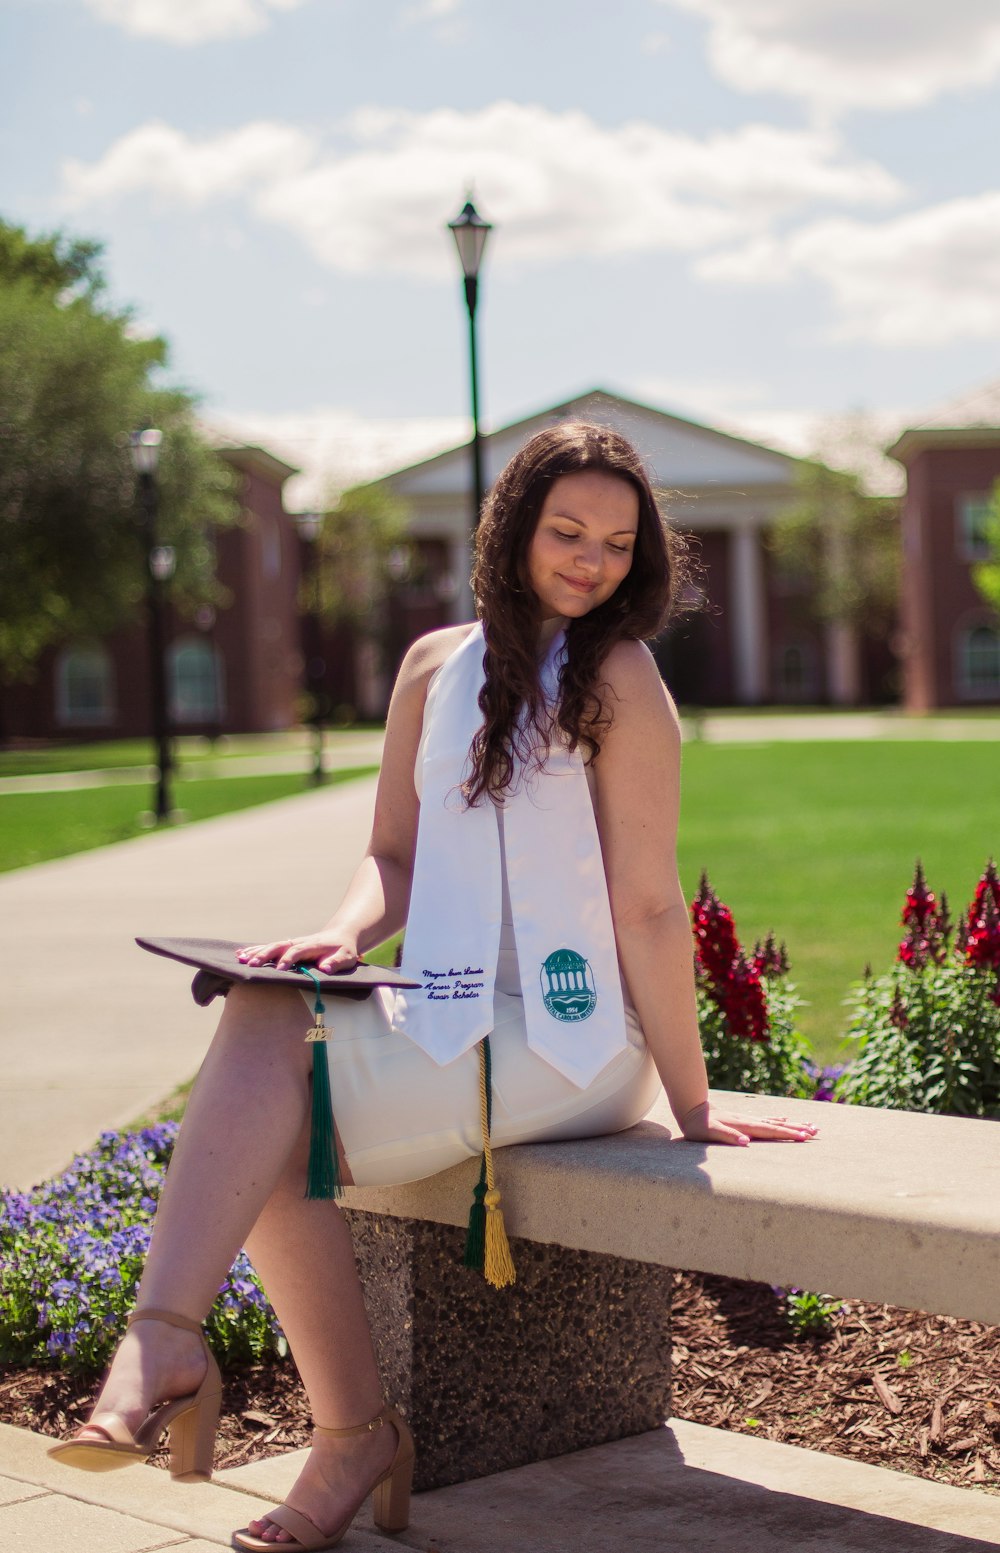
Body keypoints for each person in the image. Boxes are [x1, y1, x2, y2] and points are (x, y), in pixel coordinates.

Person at [47, 422, 817, 1550]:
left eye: (614, 541)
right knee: (265, 1023)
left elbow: (648, 905)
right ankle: (273, 1392)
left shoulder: (619, 673)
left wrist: (691, 1104)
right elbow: (394, 856)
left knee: (263, 1115)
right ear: (511, 528)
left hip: (573, 1035)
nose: (589, 560)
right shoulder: (430, 668)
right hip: (441, 1003)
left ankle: (232, 1376)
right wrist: (340, 932)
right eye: (566, 531)